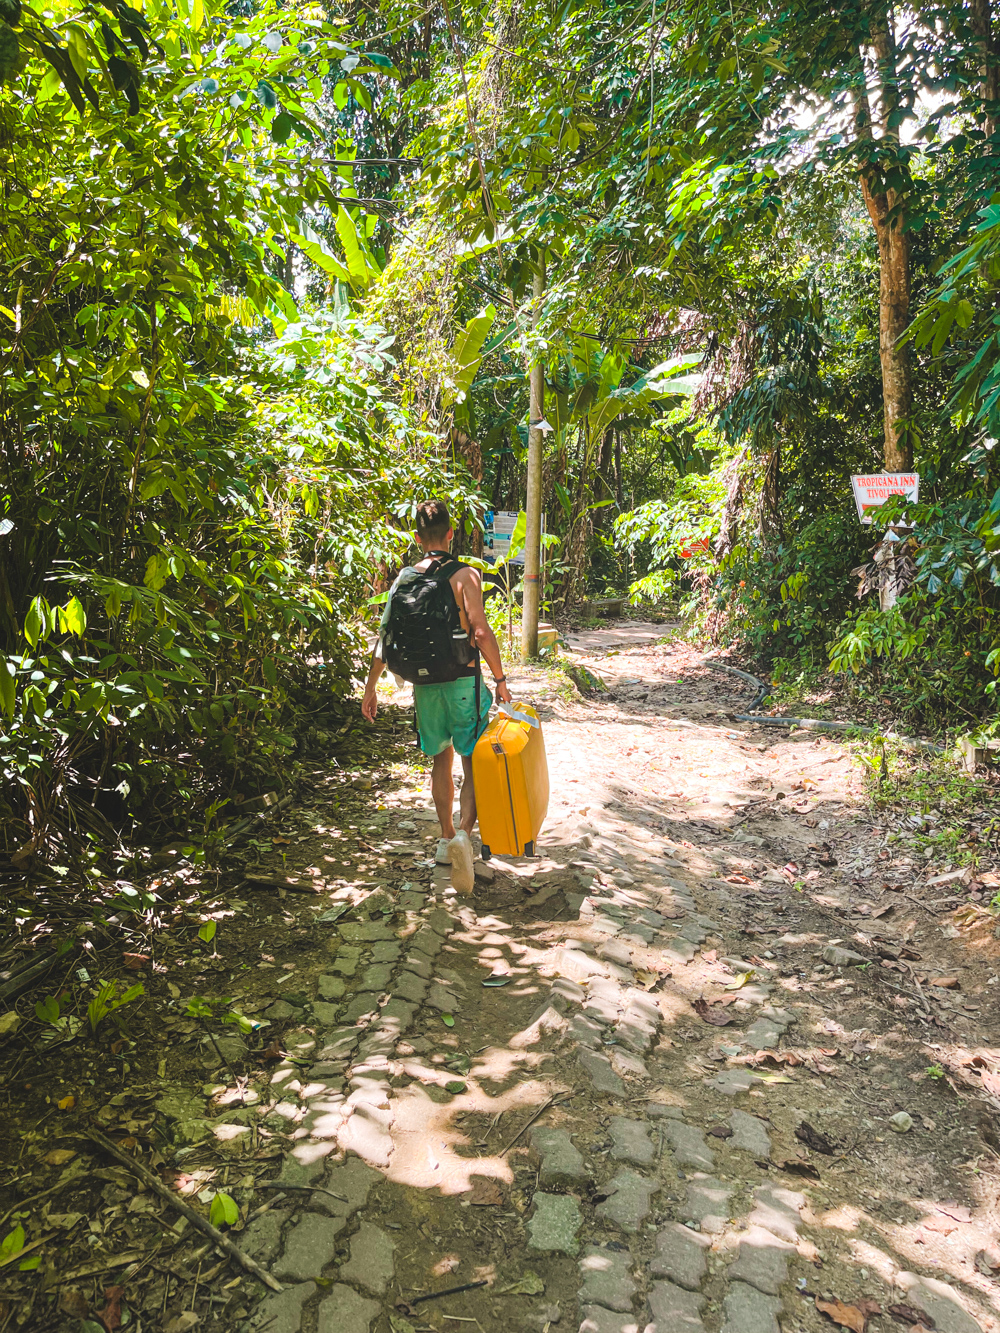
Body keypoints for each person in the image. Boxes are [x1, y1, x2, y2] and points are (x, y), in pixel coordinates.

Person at [361, 500, 513, 892]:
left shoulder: (402, 580)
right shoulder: (466, 576)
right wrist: (500, 679)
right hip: (463, 681)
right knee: (473, 761)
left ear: (416, 538)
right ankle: (465, 833)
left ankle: (446, 839)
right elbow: (479, 631)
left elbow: (386, 638)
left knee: (439, 762)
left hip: (425, 688)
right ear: (450, 534)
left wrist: (371, 688)